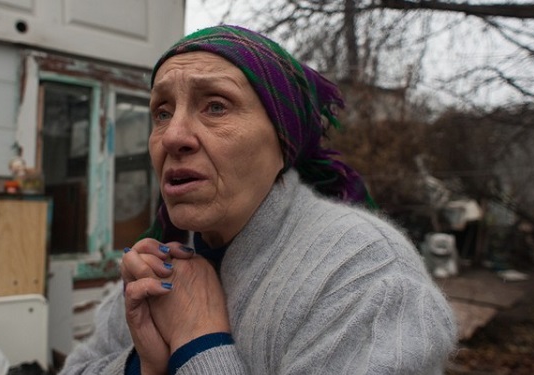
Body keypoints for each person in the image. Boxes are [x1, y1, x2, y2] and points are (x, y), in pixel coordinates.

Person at [59, 25, 457, 375]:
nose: (173, 136)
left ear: (284, 140)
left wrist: (199, 344)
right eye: (162, 112)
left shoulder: (362, 272)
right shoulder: (158, 264)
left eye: (216, 106)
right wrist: (143, 365)